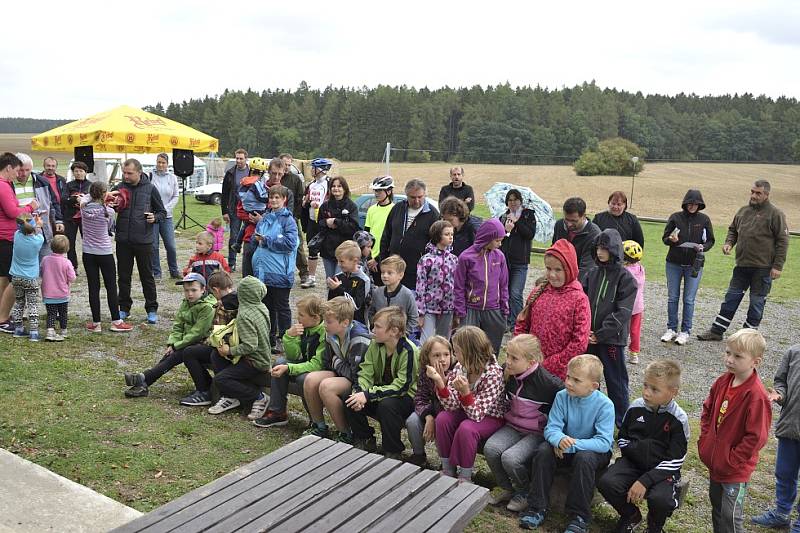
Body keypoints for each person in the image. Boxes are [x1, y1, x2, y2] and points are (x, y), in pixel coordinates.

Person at [519, 354, 615, 533]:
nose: (569, 382)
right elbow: (551, 428)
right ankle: (537, 507)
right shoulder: (562, 396)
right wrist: (559, 440)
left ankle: (579, 516)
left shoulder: (605, 405)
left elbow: (603, 442)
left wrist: (571, 444)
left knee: (584, 459)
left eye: (576, 380)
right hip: (563, 446)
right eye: (568, 377)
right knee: (543, 451)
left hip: (592, 451)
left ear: (594, 386)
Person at [597, 360, 690, 533]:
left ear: (673, 392)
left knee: (660, 499)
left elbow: (676, 459)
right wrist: (634, 452)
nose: (646, 392)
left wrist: (645, 480)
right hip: (633, 463)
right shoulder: (636, 407)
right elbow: (623, 437)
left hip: (662, 471)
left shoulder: (679, 419)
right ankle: (631, 515)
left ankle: (654, 527)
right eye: (645, 385)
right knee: (606, 482)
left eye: (654, 389)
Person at [698, 328, 772, 533]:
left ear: (755, 362)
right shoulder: (723, 381)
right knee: (717, 509)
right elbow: (707, 409)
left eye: (737, 356)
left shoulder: (756, 395)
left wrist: (731, 460)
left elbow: (756, 437)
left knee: (731, 516)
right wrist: (705, 439)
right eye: (728, 353)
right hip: (716, 462)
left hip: (734, 470)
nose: (730, 359)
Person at [698, 180, 789, 341]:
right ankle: (717, 331)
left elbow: (783, 241)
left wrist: (778, 266)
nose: (754, 195)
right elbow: (733, 230)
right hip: (742, 265)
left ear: (766, 195)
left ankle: (747, 337)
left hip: (763, 268)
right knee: (730, 299)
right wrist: (729, 243)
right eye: (752, 192)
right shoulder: (743, 211)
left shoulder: (776, 214)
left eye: (758, 193)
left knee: (756, 303)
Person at [484, 334, 564, 513]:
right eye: (507, 355)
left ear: (531, 361)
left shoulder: (547, 383)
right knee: (491, 449)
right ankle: (506, 487)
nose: (508, 362)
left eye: (514, 358)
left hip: (536, 432)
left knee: (511, 458)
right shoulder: (509, 373)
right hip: (512, 426)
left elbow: (568, 396)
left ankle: (525, 492)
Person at [123, 272, 216, 399]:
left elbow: (197, 333)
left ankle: (144, 379)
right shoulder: (186, 303)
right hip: (189, 343)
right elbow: (178, 325)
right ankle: (143, 382)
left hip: (204, 343)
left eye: (194, 290)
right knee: (171, 353)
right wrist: (172, 343)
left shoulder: (208, 307)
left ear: (203, 289)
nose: (190, 294)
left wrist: (177, 345)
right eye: (186, 290)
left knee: (178, 352)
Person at [344, 306, 418, 457]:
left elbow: (402, 387)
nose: (372, 330)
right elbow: (365, 372)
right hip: (381, 392)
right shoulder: (376, 344)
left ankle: (392, 450)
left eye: (377, 326)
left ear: (394, 331)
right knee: (350, 399)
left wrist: (368, 395)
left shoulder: (409, 351)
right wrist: (359, 393)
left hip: (406, 398)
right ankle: (365, 438)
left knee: (387, 405)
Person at [434, 326, 506, 482]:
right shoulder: (461, 367)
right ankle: (448, 468)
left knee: (467, 428)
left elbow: (477, 415)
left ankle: (466, 476)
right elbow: (451, 406)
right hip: (467, 410)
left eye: (456, 351)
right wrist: (441, 384)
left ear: (469, 352)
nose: (454, 355)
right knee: (442, 419)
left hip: (490, 416)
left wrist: (466, 393)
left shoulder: (494, 374)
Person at [582, 229, 637, 427]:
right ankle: (589, 419)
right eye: (598, 247)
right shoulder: (592, 274)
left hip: (612, 340)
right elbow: (582, 303)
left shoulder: (626, 279)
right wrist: (586, 330)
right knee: (587, 379)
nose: (600, 252)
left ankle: (622, 423)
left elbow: (623, 311)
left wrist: (601, 333)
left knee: (616, 382)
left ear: (614, 250)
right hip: (590, 338)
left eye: (604, 248)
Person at [514, 239, 591, 381]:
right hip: (528, 366)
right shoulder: (538, 292)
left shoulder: (579, 299)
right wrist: (521, 354)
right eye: (548, 269)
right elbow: (522, 323)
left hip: (557, 374)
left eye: (558, 270)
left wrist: (548, 364)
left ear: (570, 269)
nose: (552, 274)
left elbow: (579, 342)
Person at [302, 296, 372, 438]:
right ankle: (319, 425)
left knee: (327, 387)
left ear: (345, 323)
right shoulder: (331, 333)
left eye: (328, 321)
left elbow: (355, 374)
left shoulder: (358, 339)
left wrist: (337, 362)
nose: (324, 325)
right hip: (343, 373)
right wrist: (337, 363)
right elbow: (327, 362)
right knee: (310, 380)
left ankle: (346, 432)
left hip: (360, 381)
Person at [253, 294, 326, 428]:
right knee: (279, 362)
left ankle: (315, 421)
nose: (297, 318)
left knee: (303, 379)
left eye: (301, 315)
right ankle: (277, 413)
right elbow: (294, 356)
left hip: (320, 371)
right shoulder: (303, 327)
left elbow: (317, 364)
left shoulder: (324, 333)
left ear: (315, 317)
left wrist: (290, 368)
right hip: (305, 364)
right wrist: (289, 337)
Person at [109, 158, 167, 324]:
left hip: (144, 240)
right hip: (123, 240)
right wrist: (111, 205)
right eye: (124, 173)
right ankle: (124, 308)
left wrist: (154, 217)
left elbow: (162, 212)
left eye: (129, 173)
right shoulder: (119, 188)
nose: (126, 176)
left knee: (147, 276)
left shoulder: (150, 189)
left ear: (139, 173)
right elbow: (106, 205)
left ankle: (151, 309)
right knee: (124, 276)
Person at [751, 344, 800, 531]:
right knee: (784, 473)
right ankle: (781, 513)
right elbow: (782, 381)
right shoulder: (793, 352)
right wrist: (779, 394)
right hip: (791, 427)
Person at [208, 276, 272, 420]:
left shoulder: (244, 314)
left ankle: (259, 397)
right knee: (216, 355)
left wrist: (229, 351)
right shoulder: (261, 306)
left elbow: (250, 346)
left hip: (255, 361)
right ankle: (229, 396)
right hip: (260, 355)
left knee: (220, 380)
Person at [661, 189, 715, 346]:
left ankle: (685, 331)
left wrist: (703, 247)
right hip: (674, 263)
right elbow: (665, 238)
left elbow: (711, 240)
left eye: (696, 204)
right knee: (673, 297)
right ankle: (671, 328)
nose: (692, 206)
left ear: (700, 205)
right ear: (685, 203)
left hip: (694, 264)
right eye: (690, 203)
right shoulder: (675, 217)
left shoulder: (704, 220)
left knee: (689, 299)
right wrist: (672, 240)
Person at [178, 270, 239, 407]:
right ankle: (207, 389)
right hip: (232, 347)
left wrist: (205, 342)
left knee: (190, 352)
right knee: (193, 351)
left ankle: (205, 391)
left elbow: (219, 333)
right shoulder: (239, 299)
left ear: (216, 290)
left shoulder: (223, 305)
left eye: (212, 292)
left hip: (228, 350)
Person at [80, 181, 132, 333]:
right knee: (110, 287)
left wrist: (95, 196)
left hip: (88, 252)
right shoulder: (109, 211)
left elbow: (84, 199)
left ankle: (96, 323)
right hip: (104, 252)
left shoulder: (84, 209)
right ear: (104, 194)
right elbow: (110, 227)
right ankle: (116, 320)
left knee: (93, 287)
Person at [252, 185, 299, 352]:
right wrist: (255, 239)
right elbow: (256, 236)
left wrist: (267, 240)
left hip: (280, 272)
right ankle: (269, 338)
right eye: (271, 197)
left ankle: (285, 338)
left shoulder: (288, 221)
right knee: (267, 306)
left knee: (282, 308)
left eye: (277, 197)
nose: (273, 200)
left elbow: (291, 244)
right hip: (263, 272)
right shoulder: (265, 218)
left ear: (284, 199)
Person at [453, 218, 509, 356]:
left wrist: (504, 308)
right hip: (471, 309)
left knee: (491, 350)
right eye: (497, 240)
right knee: (468, 348)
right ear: (487, 238)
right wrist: (460, 311)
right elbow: (458, 286)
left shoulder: (500, 257)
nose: (500, 244)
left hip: (494, 309)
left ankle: (491, 376)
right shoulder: (466, 257)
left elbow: (503, 285)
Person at [0, 152, 38, 334]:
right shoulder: (4, 186)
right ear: (8, 168)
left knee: (3, 277)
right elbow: (12, 212)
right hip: (6, 238)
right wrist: (31, 207)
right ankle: (3, 319)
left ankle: (1, 314)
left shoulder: (5, 185)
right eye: (16, 170)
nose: (18, 174)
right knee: (14, 279)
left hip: (4, 237)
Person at [379, 179, 440, 289]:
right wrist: (382, 260)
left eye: (420, 197)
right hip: (393, 268)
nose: (417, 201)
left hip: (416, 272)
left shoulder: (433, 214)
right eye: (413, 197)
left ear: (425, 195)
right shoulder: (397, 208)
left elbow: (436, 245)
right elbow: (386, 236)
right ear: (406, 195)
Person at [406, 335, 454, 467]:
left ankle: (448, 464)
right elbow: (420, 397)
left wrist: (441, 381)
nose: (442, 360)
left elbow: (451, 404)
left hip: (447, 414)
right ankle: (419, 455)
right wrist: (428, 417)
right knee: (412, 421)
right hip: (431, 411)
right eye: (436, 355)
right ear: (427, 357)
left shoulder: (455, 372)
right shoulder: (425, 372)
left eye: (446, 354)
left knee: (441, 423)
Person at [500, 189, 537, 330]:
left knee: (515, 293)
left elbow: (529, 234)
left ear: (520, 201)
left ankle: (519, 323)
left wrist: (518, 222)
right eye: (510, 200)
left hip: (520, 261)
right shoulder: (504, 216)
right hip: (506, 261)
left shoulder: (528, 215)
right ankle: (509, 321)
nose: (513, 202)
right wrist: (506, 230)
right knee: (506, 293)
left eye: (515, 199)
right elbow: (500, 239)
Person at [13, 152, 62, 260]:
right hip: (18, 232)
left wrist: (58, 220)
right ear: (15, 168)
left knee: (44, 263)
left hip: (43, 231)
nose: (24, 174)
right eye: (21, 170)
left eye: (28, 170)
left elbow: (53, 202)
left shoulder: (42, 182)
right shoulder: (8, 183)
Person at [416, 220, 457, 342]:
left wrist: (457, 309)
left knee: (444, 341)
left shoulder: (454, 259)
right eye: (447, 234)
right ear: (438, 235)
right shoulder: (426, 260)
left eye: (452, 234)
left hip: (448, 307)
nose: (450, 237)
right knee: (426, 341)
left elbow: (457, 284)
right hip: (429, 307)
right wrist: (420, 312)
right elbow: (420, 286)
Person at [316, 176, 360, 279]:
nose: (336, 188)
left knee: (339, 280)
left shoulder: (351, 206)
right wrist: (326, 222)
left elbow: (354, 228)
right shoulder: (325, 206)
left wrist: (336, 222)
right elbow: (319, 225)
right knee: (330, 280)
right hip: (327, 250)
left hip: (345, 251)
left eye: (339, 186)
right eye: (333, 186)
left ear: (345, 189)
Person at [10, 212, 44, 341]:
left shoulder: (16, 236)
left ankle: (18, 329)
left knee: (19, 302)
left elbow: (24, 228)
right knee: (32, 304)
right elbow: (38, 232)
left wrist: (33, 224)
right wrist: (39, 224)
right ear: (33, 225)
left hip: (16, 277)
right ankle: (34, 332)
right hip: (31, 278)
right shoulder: (38, 241)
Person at [300, 157, 333, 288]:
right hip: (312, 221)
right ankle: (311, 278)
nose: (311, 170)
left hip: (325, 221)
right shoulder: (311, 185)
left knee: (328, 250)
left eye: (313, 168)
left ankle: (330, 278)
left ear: (321, 169)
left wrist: (321, 204)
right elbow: (304, 202)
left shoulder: (330, 184)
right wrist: (306, 203)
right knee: (312, 248)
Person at [233, 157, 269, 277]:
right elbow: (240, 211)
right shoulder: (258, 185)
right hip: (251, 237)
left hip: (267, 236)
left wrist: (262, 219)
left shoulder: (244, 182)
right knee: (249, 271)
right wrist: (252, 218)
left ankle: (237, 244)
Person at [369, 255, 418, 337]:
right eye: (383, 272)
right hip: (379, 336)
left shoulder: (407, 294)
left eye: (389, 273)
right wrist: (375, 327)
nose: (385, 275)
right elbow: (372, 312)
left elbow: (414, 317)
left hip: (399, 338)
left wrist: (404, 334)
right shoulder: (377, 293)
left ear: (400, 275)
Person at [149, 153, 180, 280]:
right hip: (153, 216)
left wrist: (165, 209)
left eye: (163, 162)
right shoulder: (149, 175)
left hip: (167, 216)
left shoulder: (172, 178)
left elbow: (176, 196)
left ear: (167, 164)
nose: (161, 165)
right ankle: (156, 272)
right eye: (159, 162)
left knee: (171, 245)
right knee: (154, 246)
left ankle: (174, 270)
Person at [552, 197, 602, 276]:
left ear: (584, 216)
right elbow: (554, 253)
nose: (569, 224)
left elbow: (586, 269)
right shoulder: (559, 225)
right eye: (566, 219)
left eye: (573, 221)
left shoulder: (594, 235)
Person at [279, 153, 308, 285]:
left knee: (298, 246)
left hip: (292, 218)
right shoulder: (275, 178)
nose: (287, 167)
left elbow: (299, 199)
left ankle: (304, 273)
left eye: (290, 165)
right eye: (285, 164)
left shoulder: (295, 179)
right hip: (276, 219)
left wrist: (295, 216)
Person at [40, 235, 76, 341]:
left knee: (51, 313)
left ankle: (50, 331)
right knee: (63, 313)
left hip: (48, 293)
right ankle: (64, 330)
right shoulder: (67, 262)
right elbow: (72, 278)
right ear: (67, 248)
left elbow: (41, 272)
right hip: (62, 293)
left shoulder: (45, 259)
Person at [326, 240, 371, 326]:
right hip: (337, 323)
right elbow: (331, 303)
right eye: (338, 261)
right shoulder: (338, 277)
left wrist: (338, 289)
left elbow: (355, 306)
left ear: (355, 261)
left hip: (356, 324)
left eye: (342, 261)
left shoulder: (364, 280)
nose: (339, 264)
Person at [61, 161, 92, 275]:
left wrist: (84, 199)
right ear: (73, 173)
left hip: (86, 218)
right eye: (76, 171)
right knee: (70, 243)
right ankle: (73, 267)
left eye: (81, 171)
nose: (78, 173)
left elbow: (95, 199)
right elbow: (63, 199)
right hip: (71, 217)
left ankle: (90, 265)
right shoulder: (69, 185)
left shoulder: (90, 185)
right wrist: (74, 199)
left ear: (85, 172)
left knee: (87, 242)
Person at [221, 148, 249, 272]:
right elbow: (224, 193)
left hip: (249, 209)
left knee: (250, 236)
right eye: (237, 158)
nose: (238, 161)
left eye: (241, 158)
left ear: (246, 159)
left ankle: (249, 262)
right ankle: (231, 263)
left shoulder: (252, 172)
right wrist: (224, 211)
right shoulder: (230, 173)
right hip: (234, 209)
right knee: (234, 236)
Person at [364, 175, 395, 285]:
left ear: (389, 191)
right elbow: (366, 235)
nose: (376, 193)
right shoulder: (371, 209)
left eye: (380, 190)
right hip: (370, 258)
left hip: (385, 258)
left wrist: (377, 260)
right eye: (375, 190)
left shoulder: (394, 210)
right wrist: (369, 258)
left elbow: (392, 238)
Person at [623, 240, 645, 364]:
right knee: (635, 330)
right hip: (638, 306)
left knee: (622, 329)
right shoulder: (641, 268)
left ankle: (619, 349)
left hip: (627, 305)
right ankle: (634, 353)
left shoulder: (625, 272)